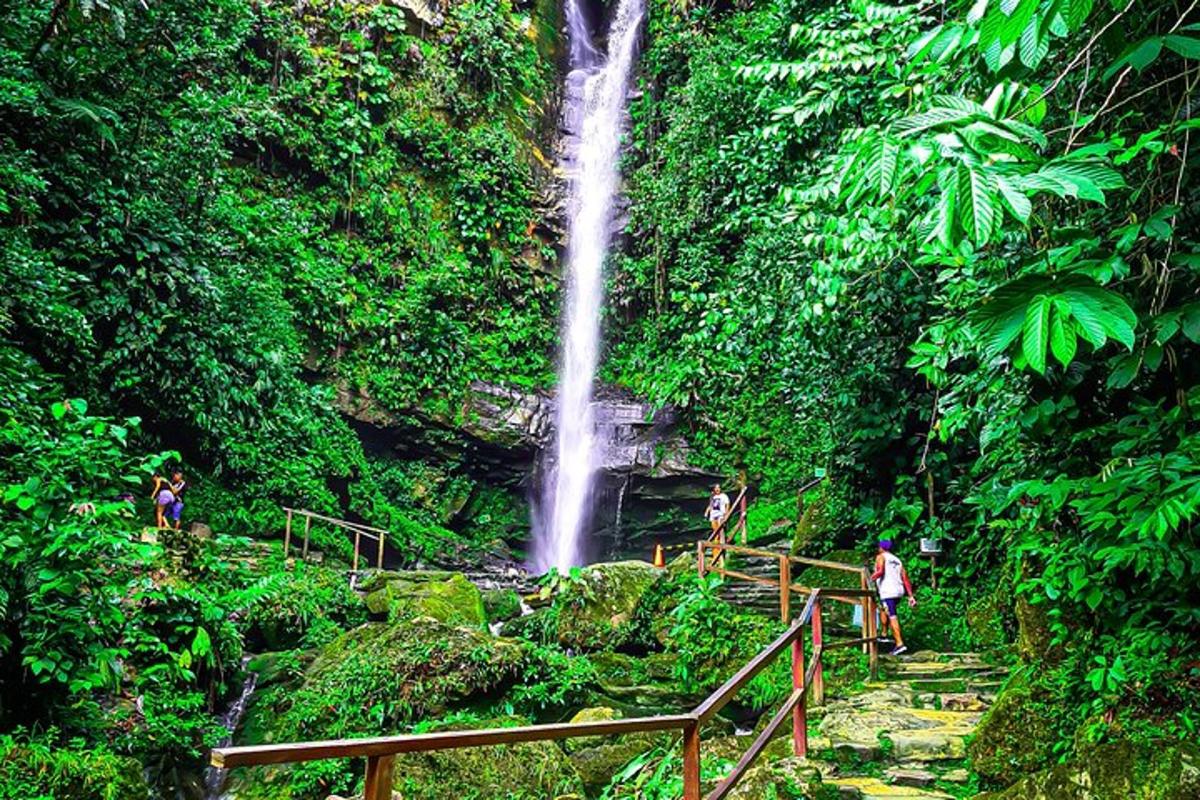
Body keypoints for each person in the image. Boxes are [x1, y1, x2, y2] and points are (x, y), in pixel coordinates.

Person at [871, 539, 917, 655]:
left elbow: (880, 571)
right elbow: (905, 578)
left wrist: (871, 578)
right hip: (898, 591)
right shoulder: (897, 560)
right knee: (883, 609)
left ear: (880, 547)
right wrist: (910, 596)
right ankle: (884, 634)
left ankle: (899, 644)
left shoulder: (881, 556)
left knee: (892, 616)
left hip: (888, 591)